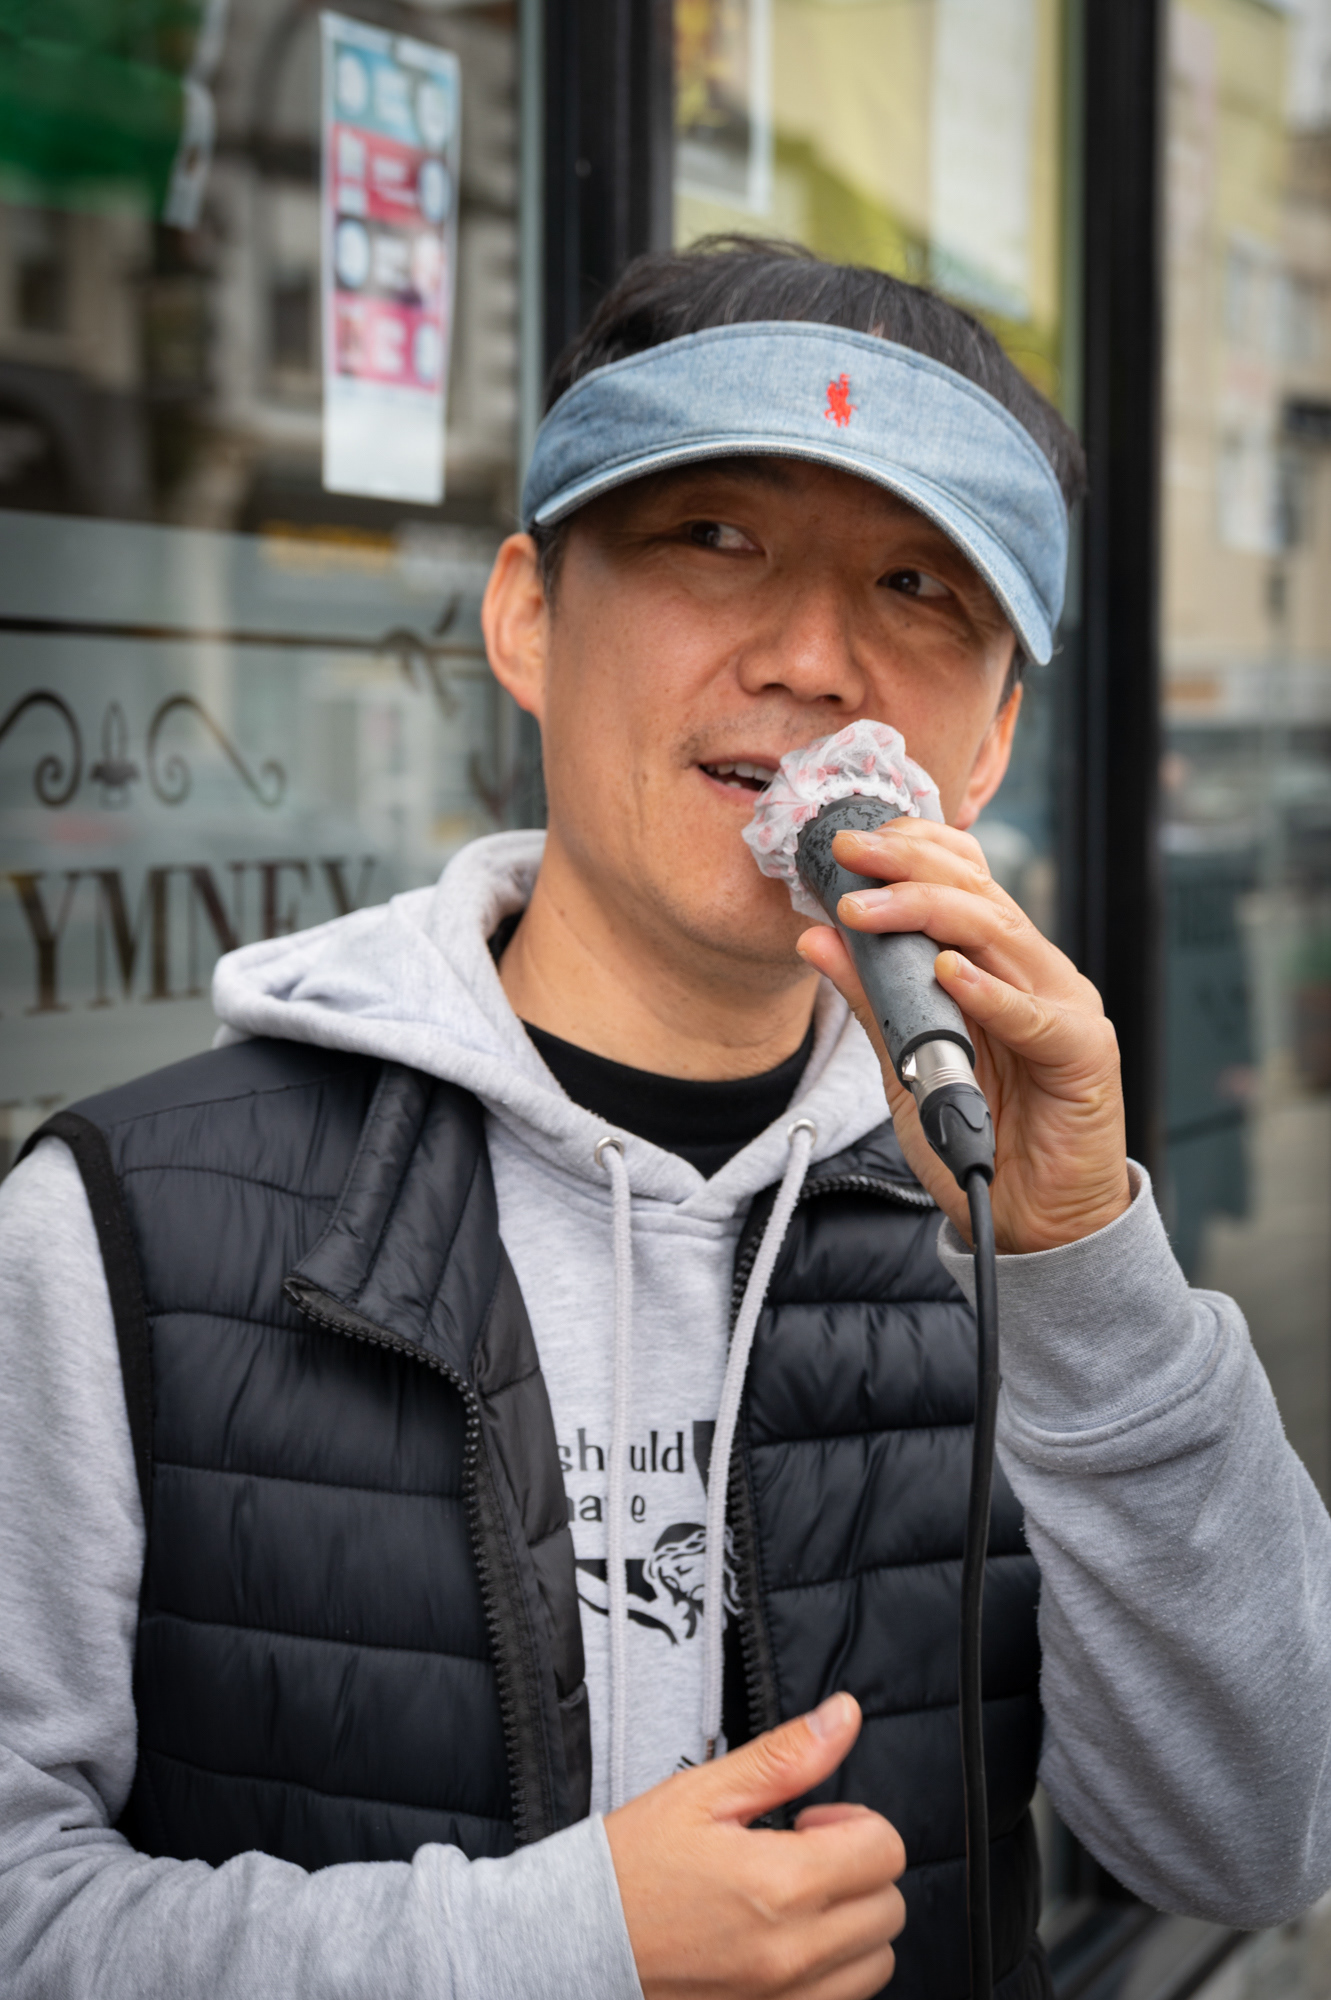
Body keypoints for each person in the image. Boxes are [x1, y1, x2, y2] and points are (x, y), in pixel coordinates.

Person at [1, 237, 1329, 2000]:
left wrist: (1088, 1267)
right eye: (713, 537)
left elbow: (1248, 1843)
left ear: (993, 741)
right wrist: (568, 1949)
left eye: (923, 584)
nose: (811, 658)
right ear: (527, 618)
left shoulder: (1005, 1233)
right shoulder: (116, 1222)